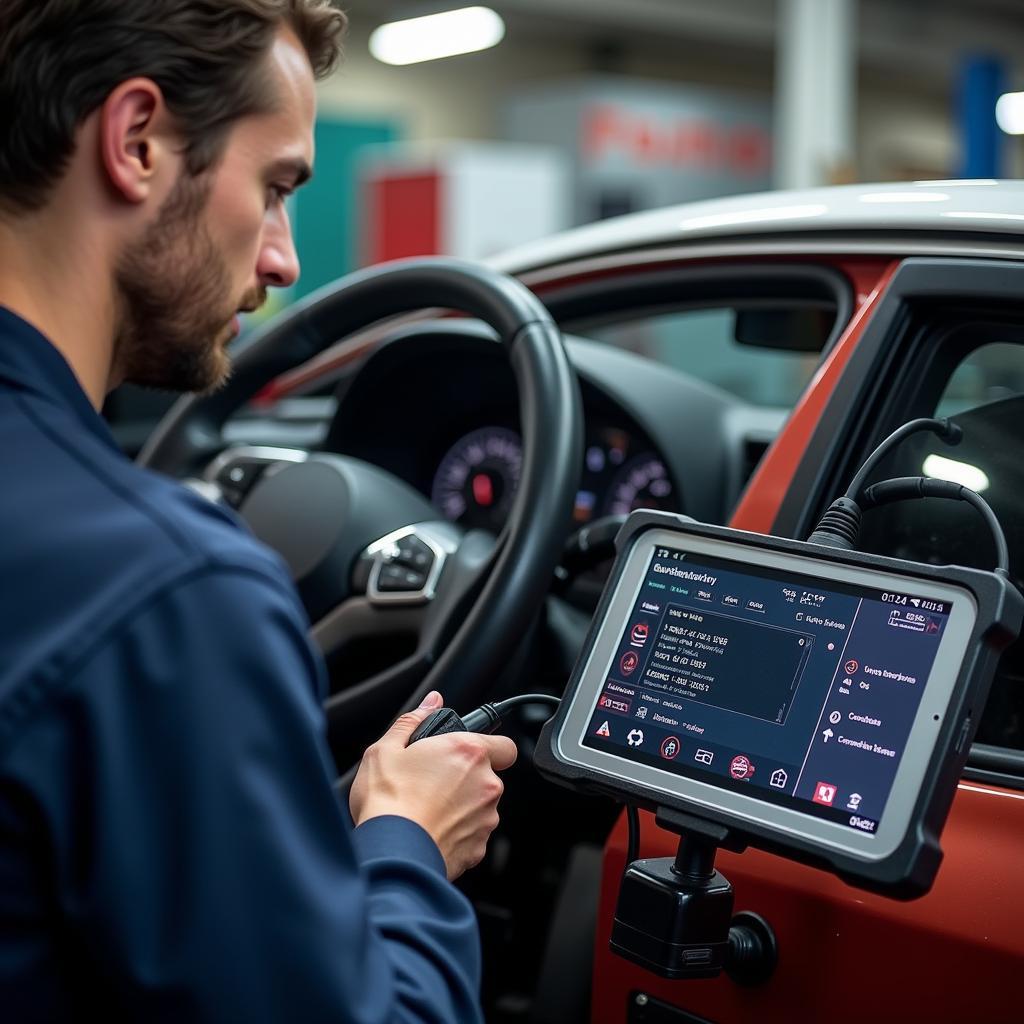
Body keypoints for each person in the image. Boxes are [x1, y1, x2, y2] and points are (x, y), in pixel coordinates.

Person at [0, 2, 518, 1020]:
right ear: (137, 140)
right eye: (275, 187)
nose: (283, 259)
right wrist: (406, 840)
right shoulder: (171, 594)